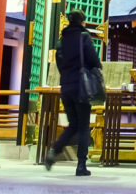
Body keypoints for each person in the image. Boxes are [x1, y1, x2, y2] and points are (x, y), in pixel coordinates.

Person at [44, 10, 101, 177]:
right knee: (83, 126)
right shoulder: (84, 37)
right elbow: (94, 61)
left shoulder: (61, 41)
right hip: (81, 87)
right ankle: (81, 166)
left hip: (66, 86)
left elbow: (60, 64)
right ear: (82, 22)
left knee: (73, 124)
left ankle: (54, 151)